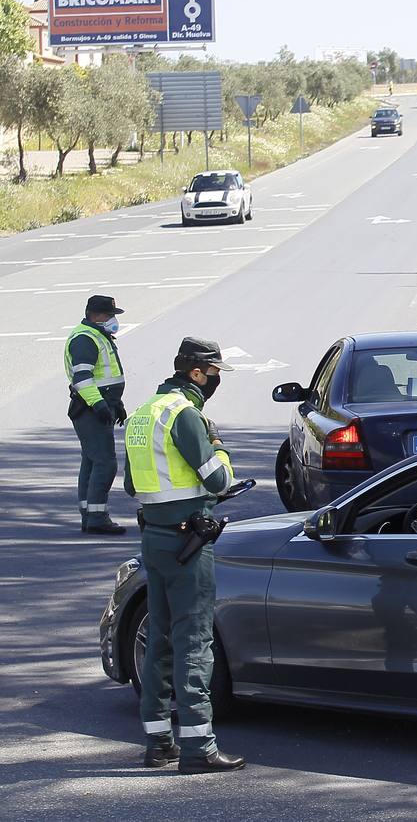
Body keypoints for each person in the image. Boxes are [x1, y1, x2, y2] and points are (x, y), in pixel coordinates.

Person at [123, 337, 245, 774]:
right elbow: (216, 480)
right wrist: (220, 446)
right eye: (214, 373)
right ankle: (198, 747)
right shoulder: (185, 415)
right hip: (187, 542)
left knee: (158, 638)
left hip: (154, 539)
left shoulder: (143, 414)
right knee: (194, 640)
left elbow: (132, 487)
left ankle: (158, 741)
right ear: (197, 372)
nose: (215, 381)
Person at [65, 294, 128, 535]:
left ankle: (89, 513)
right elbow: (83, 379)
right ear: (97, 315)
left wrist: (116, 403)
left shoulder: (97, 335)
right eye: (110, 315)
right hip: (90, 409)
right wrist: (100, 405)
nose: (113, 319)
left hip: (98, 406)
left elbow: (106, 377)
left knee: (92, 461)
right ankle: (97, 518)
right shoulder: (85, 339)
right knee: (105, 462)